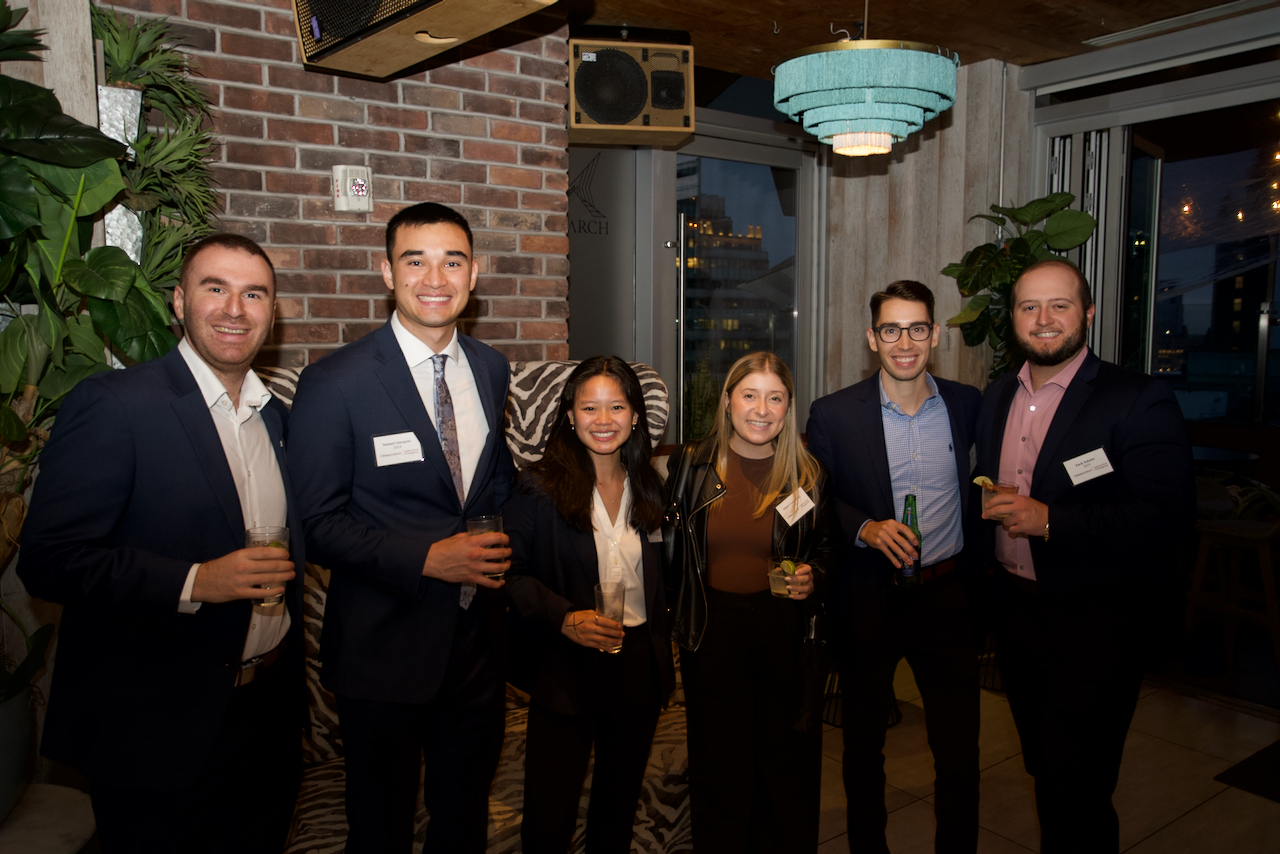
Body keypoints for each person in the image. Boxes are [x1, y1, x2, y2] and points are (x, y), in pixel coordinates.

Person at [18, 234, 304, 853]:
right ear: (178, 301)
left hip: (265, 717)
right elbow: (49, 559)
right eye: (215, 288)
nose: (235, 309)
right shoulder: (114, 405)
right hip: (154, 723)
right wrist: (197, 581)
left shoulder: (273, 417)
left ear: (272, 312)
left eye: (254, 294)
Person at [287, 202, 514, 854]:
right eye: (416, 261)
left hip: (477, 646)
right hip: (383, 652)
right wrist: (425, 558)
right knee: (380, 829)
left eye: (452, 261)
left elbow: (490, 488)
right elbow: (313, 522)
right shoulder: (336, 382)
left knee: (463, 820)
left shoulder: (491, 368)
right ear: (388, 272)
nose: (435, 278)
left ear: (474, 274)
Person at [975, 258, 1195, 853]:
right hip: (1017, 618)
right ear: (1013, 318)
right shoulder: (998, 396)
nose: (1043, 319)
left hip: (1095, 624)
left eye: (1060, 305)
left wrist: (1049, 520)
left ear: (1089, 314)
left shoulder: (1136, 397)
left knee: (1082, 786)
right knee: (1046, 769)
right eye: (1029, 306)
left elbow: (1168, 516)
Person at [807, 280, 983, 854]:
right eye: (891, 329)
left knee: (958, 746)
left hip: (946, 596)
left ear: (935, 335)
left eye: (916, 329)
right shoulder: (834, 413)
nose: (904, 342)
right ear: (871, 337)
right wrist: (865, 527)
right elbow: (817, 498)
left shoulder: (967, 404)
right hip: (868, 597)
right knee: (863, 744)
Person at [504, 356, 676, 853]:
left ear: (636, 416)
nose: (603, 420)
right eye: (590, 407)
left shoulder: (652, 487)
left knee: (616, 814)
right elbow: (509, 575)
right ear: (570, 415)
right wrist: (564, 617)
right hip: (566, 669)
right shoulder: (538, 487)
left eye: (616, 407)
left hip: (638, 664)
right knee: (549, 818)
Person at [663, 351, 832, 854]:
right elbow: (669, 552)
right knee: (720, 767)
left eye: (775, 398)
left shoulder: (807, 475)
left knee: (784, 767)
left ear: (788, 408)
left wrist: (814, 576)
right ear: (728, 401)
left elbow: (826, 552)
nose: (761, 410)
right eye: (750, 395)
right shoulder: (691, 465)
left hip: (783, 633)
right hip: (711, 632)